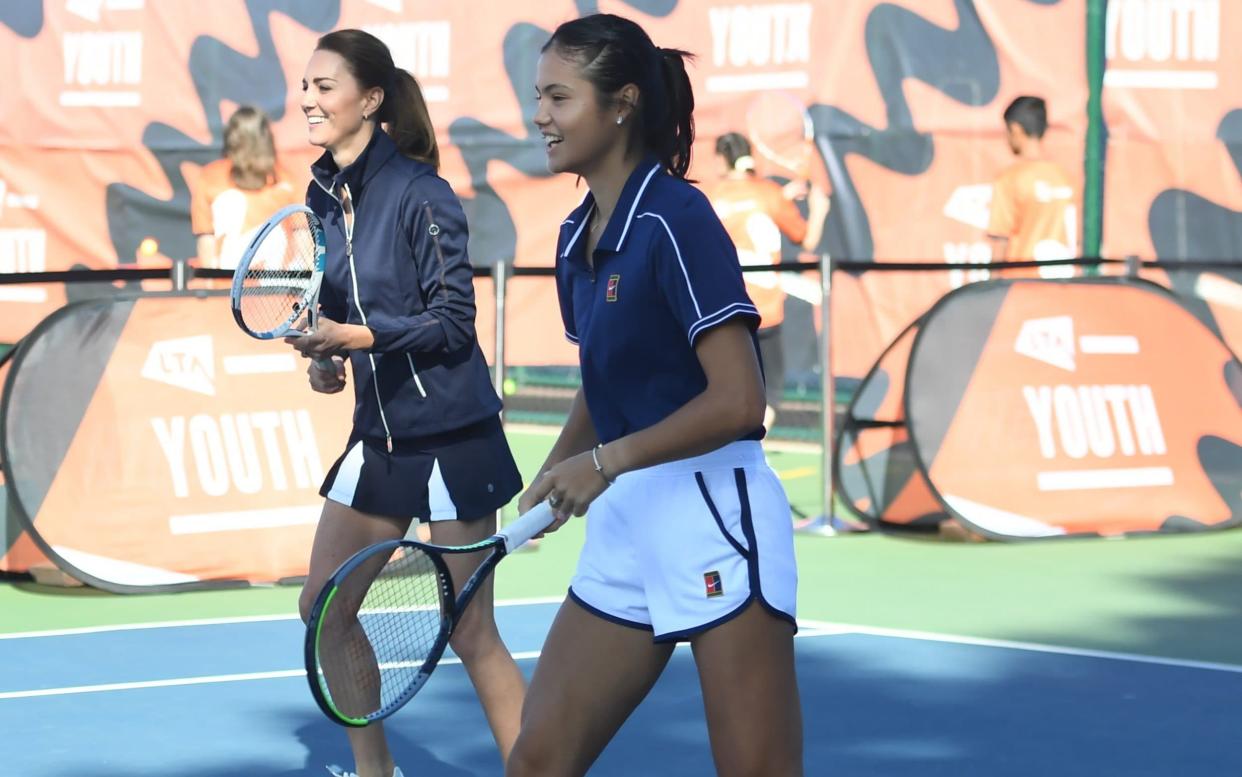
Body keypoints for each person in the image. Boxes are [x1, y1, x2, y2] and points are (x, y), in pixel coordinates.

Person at [509, 14, 802, 777]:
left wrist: (603, 462)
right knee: (535, 763)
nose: (539, 113)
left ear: (622, 103)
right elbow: (604, 380)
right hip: (627, 518)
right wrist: (558, 463)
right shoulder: (577, 237)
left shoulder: (678, 217)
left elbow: (739, 399)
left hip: (713, 511)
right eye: (538, 96)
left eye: (559, 97)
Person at [285, 29, 526, 777]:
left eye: (326, 86)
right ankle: (375, 771)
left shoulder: (425, 194)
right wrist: (327, 360)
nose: (309, 100)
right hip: (380, 439)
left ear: (372, 99)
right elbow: (339, 307)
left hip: (455, 436)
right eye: (306, 86)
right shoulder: (320, 194)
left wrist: (353, 335)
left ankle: (537, 766)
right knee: (323, 610)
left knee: (471, 630)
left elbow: (454, 322)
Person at [707, 132, 829, 430]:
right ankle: (752, 449)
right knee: (769, 393)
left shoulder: (709, 197)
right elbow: (806, 238)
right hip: (765, 312)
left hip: (723, 309)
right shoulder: (769, 194)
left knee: (723, 390)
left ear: (724, 159)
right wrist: (820, 210)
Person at [189, 106, 301, 269]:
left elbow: (303, 238)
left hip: (277, 289)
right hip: (230, 288)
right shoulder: (210, 177)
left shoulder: (286, 181)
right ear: (266, 137)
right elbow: (206, 241)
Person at [987, 95, 1078, 276]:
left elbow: (1000, 240)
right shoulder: (1067, 178)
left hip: (1021, 284)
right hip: (1062, 286)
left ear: (1015, 130)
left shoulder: (1011, 179)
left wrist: (990, 291)